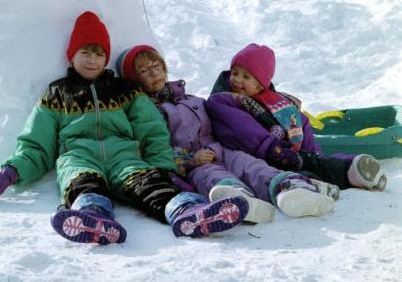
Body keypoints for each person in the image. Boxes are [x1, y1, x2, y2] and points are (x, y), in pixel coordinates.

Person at [0, 11, 250, 244]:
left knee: (150, 184)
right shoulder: (57, 94)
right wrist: (9, 173)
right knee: (82, 184)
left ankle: (188, 211)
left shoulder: (124, 91)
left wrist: (164, 168)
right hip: (78, 156)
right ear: (72, 55)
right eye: (86, 52)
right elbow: (37, 143)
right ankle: (93, 217)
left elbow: (151, 130)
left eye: (99, 53)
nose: (92, 60)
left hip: (124, 155)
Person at [117, 45, 340, 220]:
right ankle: (239, 198)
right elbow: (155, 150)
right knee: (211, 176)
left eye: (157, 66)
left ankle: (289, 188)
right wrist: (189, 160)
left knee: (250, 165)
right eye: (144, 71)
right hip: (196, 163)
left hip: (222, 149)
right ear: (134, 80)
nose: (154, 73)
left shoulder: (191, 99)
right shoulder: (147, 113)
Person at [207, 43, 387, 191]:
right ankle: (310, 184)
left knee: (314, 163)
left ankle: (352, 169)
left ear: (261, 84)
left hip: (283, 152)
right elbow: (243, 129)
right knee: (296, 169)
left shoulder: (275, 101)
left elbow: (301, 122)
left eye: (246, 76)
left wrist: (312, 152)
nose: (237, 80)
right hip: (256, 153)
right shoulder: (223, 99)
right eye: (235, 73)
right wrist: (272, 148)